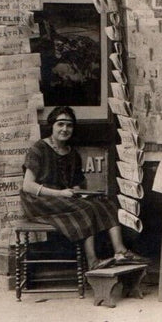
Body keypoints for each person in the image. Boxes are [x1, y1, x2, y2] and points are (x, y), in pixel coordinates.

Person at [20, 105, 147, 270]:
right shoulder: (39, 149)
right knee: (86, 209)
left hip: (63, 197)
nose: (65, 129)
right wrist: (60, 193)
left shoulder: (72, 153)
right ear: (52, 125)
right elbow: (28, 186)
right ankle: (92, 261)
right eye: (60, 124)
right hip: (39, 201)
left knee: (107, 203)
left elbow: (79, 182)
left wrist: (78, 189)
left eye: (69, 125)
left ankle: (120, 251)